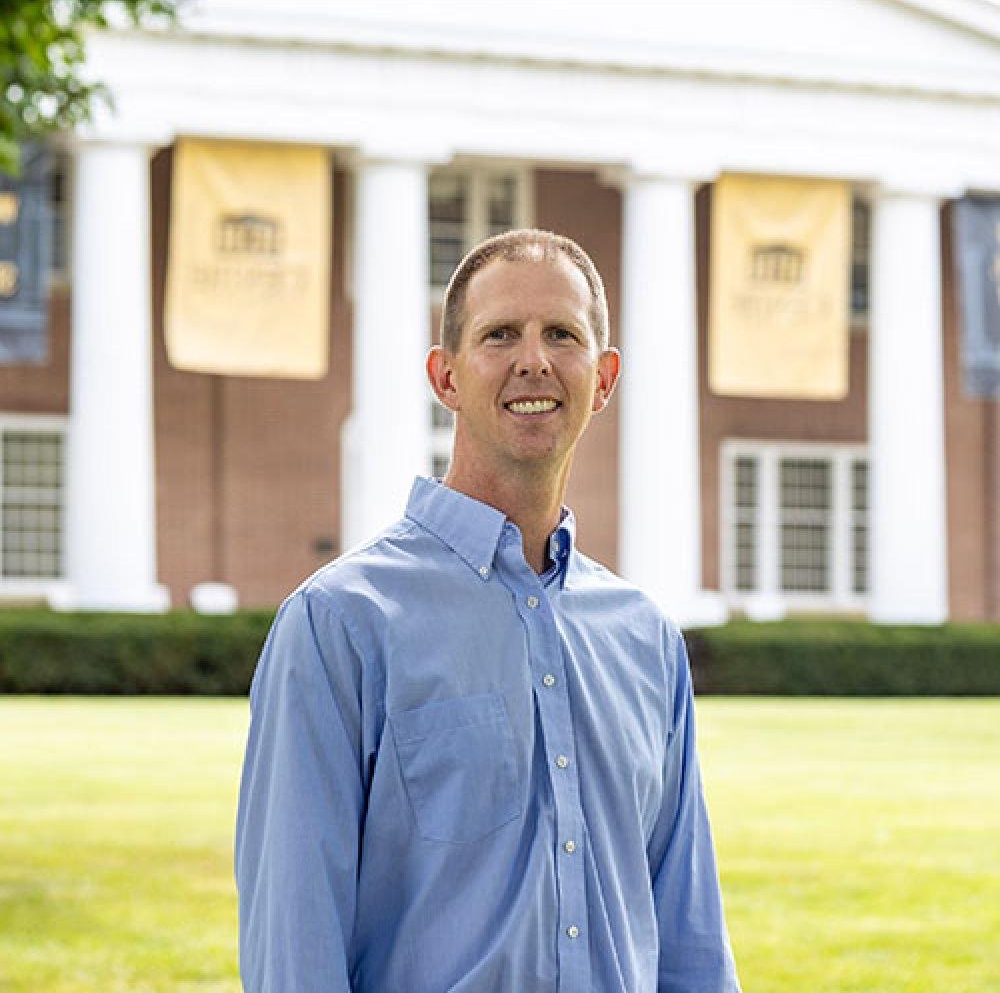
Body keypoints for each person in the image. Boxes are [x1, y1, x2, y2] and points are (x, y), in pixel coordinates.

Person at [235, 229, 741, 992]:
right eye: (500, 334)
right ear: (446, 376)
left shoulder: (644, 638)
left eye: (561, 335)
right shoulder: (340, 624)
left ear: (603, 380)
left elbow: (689, 931)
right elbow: (293, 949)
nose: (532, 360)